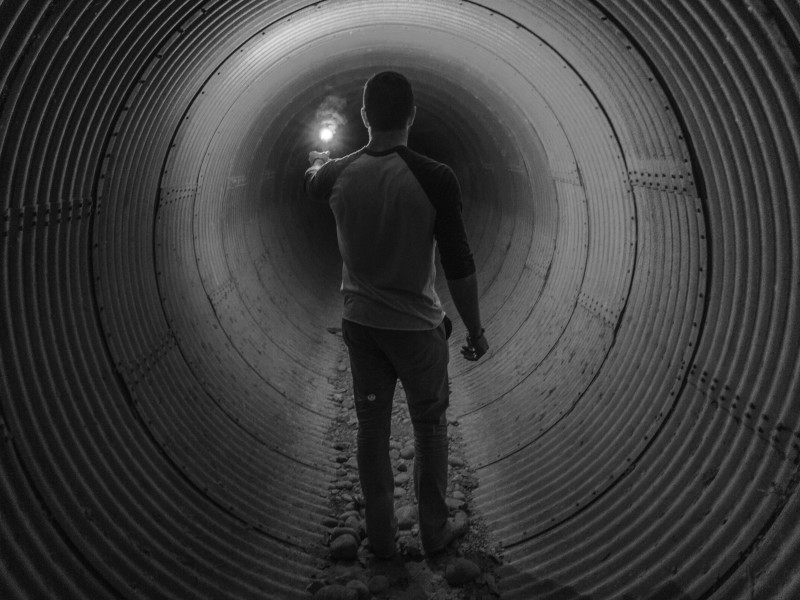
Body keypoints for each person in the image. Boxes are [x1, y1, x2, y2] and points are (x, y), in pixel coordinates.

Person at [304, 71, 489, 560]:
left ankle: (382, 540)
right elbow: (458, 261)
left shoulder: (337, 174)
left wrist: (317, 163)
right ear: (412, 115)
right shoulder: (435, 177)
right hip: (417, 329)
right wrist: (474, 328)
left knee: (371, 428)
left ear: (365, 117)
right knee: (429, 427)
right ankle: (433, 532)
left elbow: (312, 183)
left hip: (362, 328)